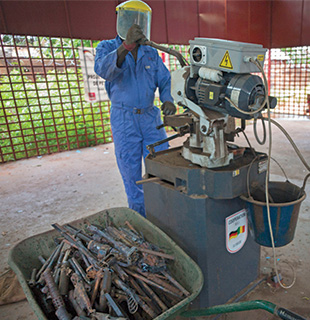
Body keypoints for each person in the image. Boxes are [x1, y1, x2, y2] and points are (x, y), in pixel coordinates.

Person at [94, 0, 176, 217]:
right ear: (122, 20)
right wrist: (126, 47)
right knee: (131, 173)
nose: (136, 25)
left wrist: (167, 99)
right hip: (124, 119)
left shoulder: (150, 52)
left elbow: (165, 79)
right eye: (131, 20)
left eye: (141, 21)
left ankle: (164, 213)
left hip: (150, 118)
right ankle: (141, 217)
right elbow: (104, 70)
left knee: (162, 164)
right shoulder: (107, 48)